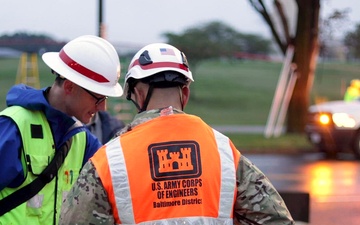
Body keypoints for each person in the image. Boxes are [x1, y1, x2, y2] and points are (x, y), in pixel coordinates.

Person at [60, 43, 295, 225]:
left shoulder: (109, 160)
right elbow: (276, 219)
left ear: (137, 95)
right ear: (185, 92)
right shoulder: (224, 152)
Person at [0, 35, 123, 224]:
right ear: (69, 87)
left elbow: (116, 182)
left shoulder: (82, 140)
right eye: (98, 98)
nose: (103, 108)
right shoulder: (14, 126)